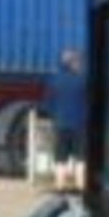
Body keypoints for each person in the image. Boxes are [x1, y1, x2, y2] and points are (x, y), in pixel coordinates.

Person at [43, 49, 86, 191]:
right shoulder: (83, 80)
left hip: (60, 125)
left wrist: (53, 117)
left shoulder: (53, 81)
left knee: (60, 157)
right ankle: (81, 185)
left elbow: (48, 104)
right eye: (78, 62)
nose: (81, 64)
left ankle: (60, 186)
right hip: (80, 125)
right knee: (81, 157)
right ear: (73, 63)